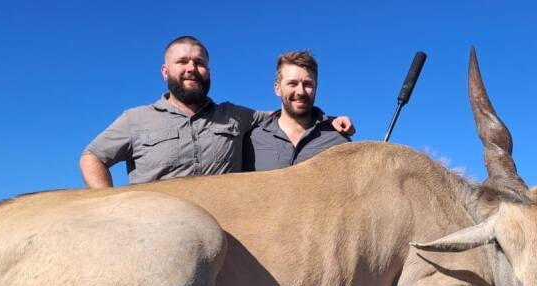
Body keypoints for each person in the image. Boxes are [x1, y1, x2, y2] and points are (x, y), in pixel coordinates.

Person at [80, 37, 353, 188]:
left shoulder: (235, 116)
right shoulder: (136, 119)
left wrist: (328, 121)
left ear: (208, 71)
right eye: (182, 62)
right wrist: (111, 205)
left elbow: (287, 112)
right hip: (155, 238)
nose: (191, 68)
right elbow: (92, 157)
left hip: (224, 243)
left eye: (199, 63)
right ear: (165, 71)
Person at [243, 51, 350, 172]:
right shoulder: (252, 140)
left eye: (307, 84)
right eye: (292, 84)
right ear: (277, 88)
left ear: (316, 87)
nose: (301, 91)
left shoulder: (339, 141)